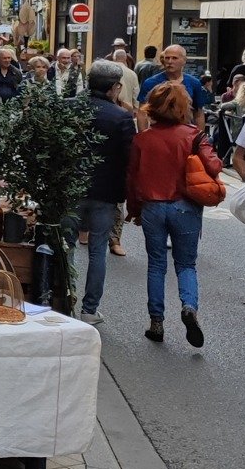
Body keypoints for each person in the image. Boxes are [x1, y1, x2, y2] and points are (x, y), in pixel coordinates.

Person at [126, 82, 222, 347]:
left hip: (152, 207)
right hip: (186, 206)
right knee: (186, 264)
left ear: (152, 107)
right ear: (184, 107)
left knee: (156, 264)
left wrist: (134, 210)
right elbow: (214, 166)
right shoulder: (194, 136)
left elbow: (132, 179)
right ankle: (189, 307)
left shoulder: (142, 139)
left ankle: (156, 323)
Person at [76, 62, 135, 325]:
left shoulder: (69, 107)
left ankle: (58, 300)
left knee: (63, 245)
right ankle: (89, 310)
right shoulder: (121, 117)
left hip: (70, 188)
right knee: (98, 250)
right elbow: (129, 158)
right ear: (114, 88)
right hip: (105, 192)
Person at [137, 44, 211, 131]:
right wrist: (144, 136)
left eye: (174, 58)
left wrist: (199, 139)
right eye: (167, 58)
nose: (170, 61)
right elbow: (142, 112)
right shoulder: (151, 83)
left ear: (184, 61)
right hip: (158, 132)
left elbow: (198, 113)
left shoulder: (194, 83)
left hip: (185, 134)